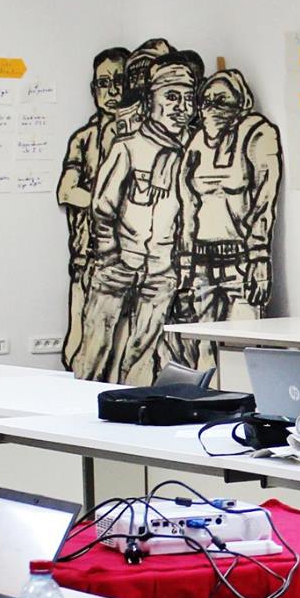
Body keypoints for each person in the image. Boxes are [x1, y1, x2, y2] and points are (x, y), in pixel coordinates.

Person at [82, 52, 200, 384]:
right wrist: (109, 257)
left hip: (162, 272)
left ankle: (131, 406)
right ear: (150, 101)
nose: (181, 107)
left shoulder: (193, 153)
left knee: (143, 352)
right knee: (97, 348)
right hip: (118, 265)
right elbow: (102, 207)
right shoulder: (128, 147)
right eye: (172, 97)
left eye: (188, 99)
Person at [173, 68, 282, 367]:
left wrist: (259, 258)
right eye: (206, 101)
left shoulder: (258, 135)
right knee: (204, 355)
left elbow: (265, 200)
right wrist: (185, 269)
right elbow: (187, 206)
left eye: (221, 101)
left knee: (246, 351)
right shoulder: (197, 142)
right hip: (202, 261)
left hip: (241, 262)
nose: (211, 109)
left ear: (240, 103)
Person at [57, 46, 129, 373]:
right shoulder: (84, 139)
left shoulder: (138, 138)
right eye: (103, 83)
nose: (112, 91)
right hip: (86, 257)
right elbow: (67, 190)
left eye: (119, 81)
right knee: (77, 349)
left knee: (117, 353)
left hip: (125, 261)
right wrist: (106, 201)